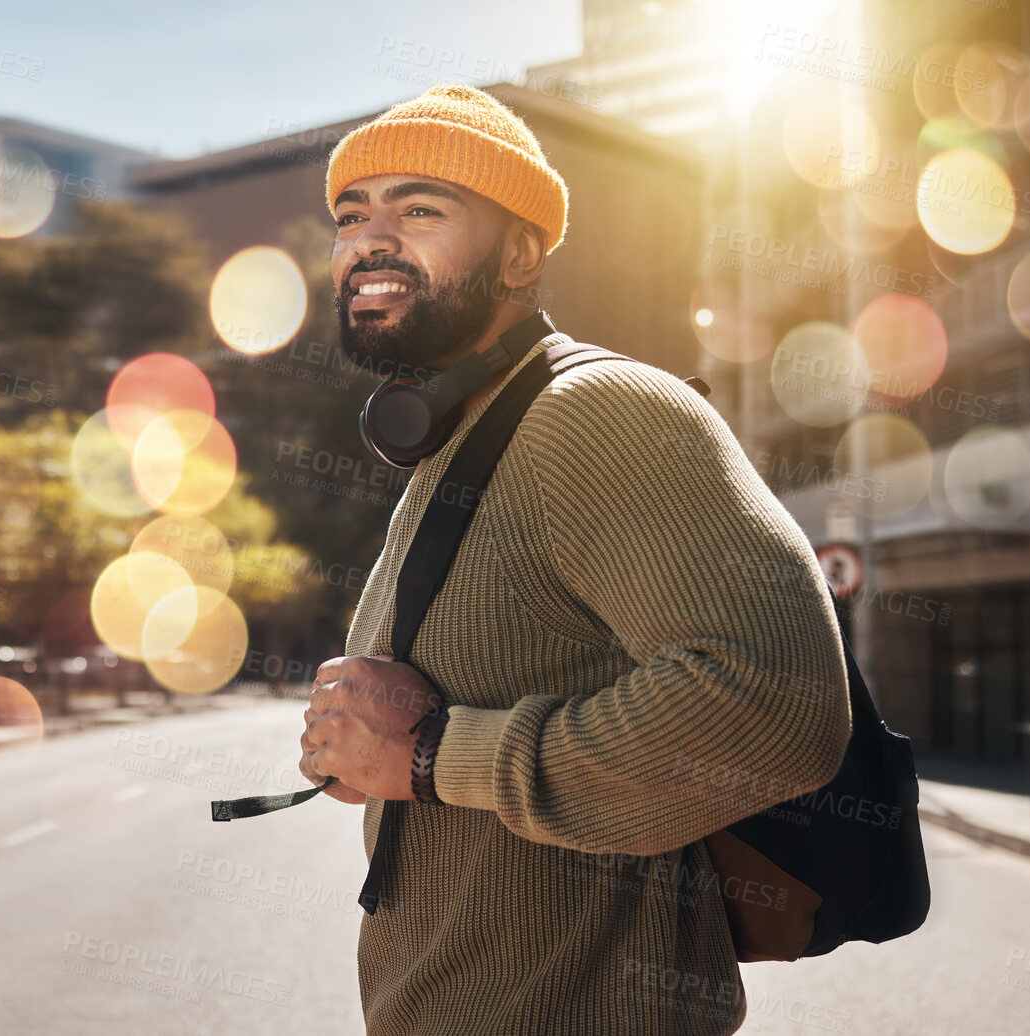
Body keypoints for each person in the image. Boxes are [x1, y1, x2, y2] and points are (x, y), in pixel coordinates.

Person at [294, 84, 853, 1034]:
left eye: (420, 208)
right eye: (352, 214)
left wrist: (432, 753)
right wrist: (370, 749)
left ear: (520, 254)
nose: (369, 239)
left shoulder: (596, 411)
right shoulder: (461, 449)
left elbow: (778, 701)